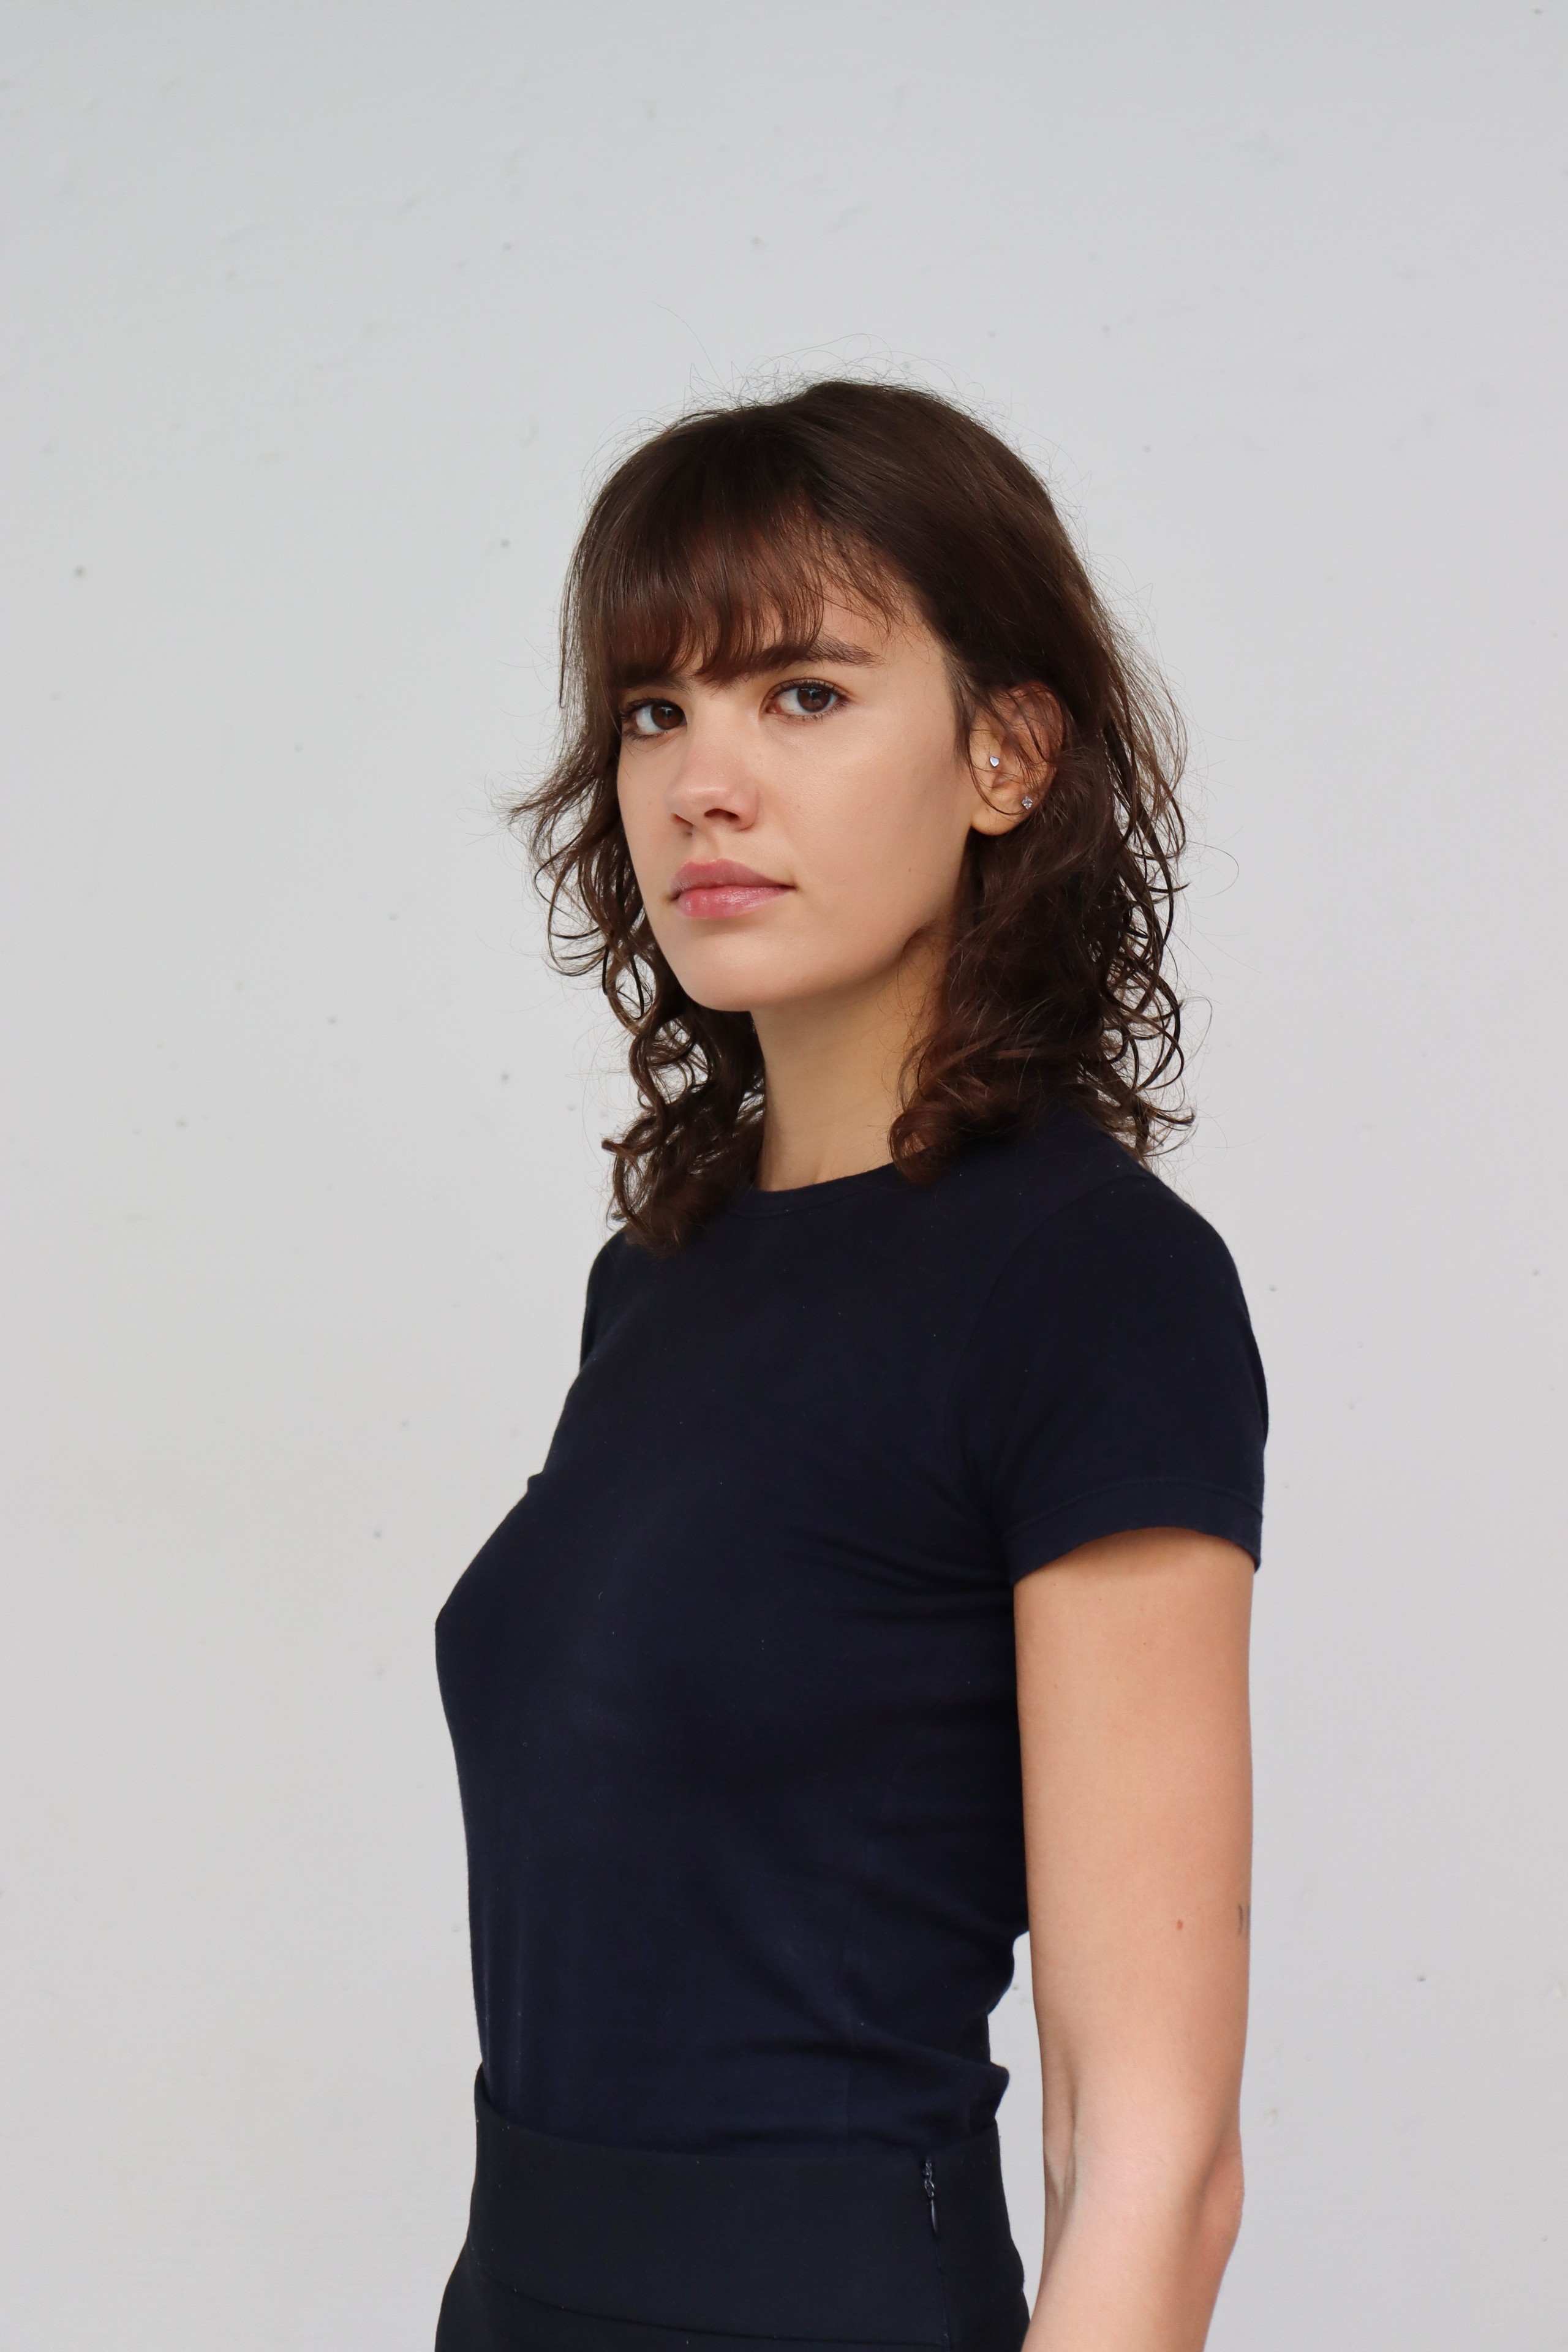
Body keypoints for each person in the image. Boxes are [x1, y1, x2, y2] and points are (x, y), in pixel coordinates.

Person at [434, 380, 1266, 2352]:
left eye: (802, 694)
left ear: (1006, 754)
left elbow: (1153, 2158)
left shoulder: (1096, 1287)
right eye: (657, 711)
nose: (701, 785)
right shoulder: (658, 1282)